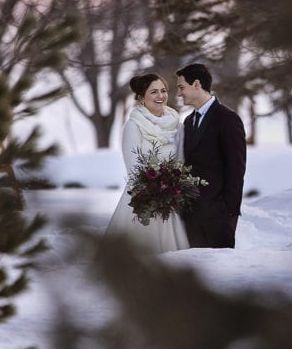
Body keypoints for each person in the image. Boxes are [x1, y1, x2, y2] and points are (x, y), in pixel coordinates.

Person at [103, 73, 190, 254]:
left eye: (163, 91)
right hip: (143, 200)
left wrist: (175, 186)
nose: (161, 96)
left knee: (173, 258)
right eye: (154, 92)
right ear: (142, 97)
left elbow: (181, 159)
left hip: (170, 202)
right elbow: (134, 168)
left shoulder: (177, 124)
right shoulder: (133, 125)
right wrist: (156, 191)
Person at [175, 63, 247, 248]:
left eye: (182, 87)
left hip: (218, 219)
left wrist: (229, 213)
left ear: (197, 84)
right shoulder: (189, 121)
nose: (179, 93)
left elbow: (236, 169)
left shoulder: (227, 119)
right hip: (191, 218)